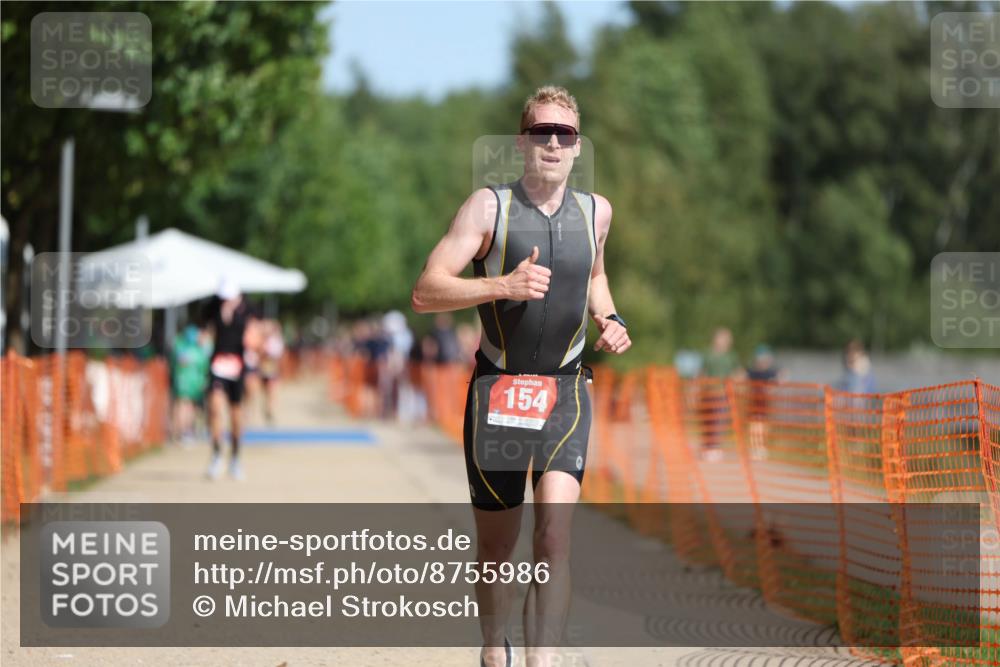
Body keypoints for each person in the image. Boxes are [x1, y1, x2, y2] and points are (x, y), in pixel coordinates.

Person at [411, 86, 630, 667]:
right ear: (521, 142)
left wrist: (610, 318)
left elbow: (595, 278)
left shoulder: (598, 213)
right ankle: (493, 651)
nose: (553, 143)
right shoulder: (487, 208)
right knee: (496, 549)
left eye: (565, 134)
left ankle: (542, 660)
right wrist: (500, 285)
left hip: (565, 391)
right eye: (541, 132)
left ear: (577, 146)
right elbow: (426, 291)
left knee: (554, 537)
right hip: (499, 392)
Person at [202, 278, 258, 481]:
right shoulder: (213, 309)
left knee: (235, 415)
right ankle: (217, 454)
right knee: (215, 409)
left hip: (238, 368)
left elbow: (255, 337)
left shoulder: (246, 312)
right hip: (218, 366)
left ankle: (235, 457)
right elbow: (205, 332)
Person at [170, 324, 209, 444]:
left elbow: (173, 363)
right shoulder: (198, 351)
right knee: (187, 407)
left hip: (182, 382)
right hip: (193, 383)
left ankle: (180, 432)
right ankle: (184, 432)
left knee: (182, 406)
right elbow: (204, 368)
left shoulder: (180, 347)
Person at [258, 319, 285, 424]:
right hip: (263, 369)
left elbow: (278, 355)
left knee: (272, 390)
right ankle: (266, 407)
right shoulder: (263, 340)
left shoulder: (277, 341)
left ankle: (269, 409)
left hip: (272, 369)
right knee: (265, 390)